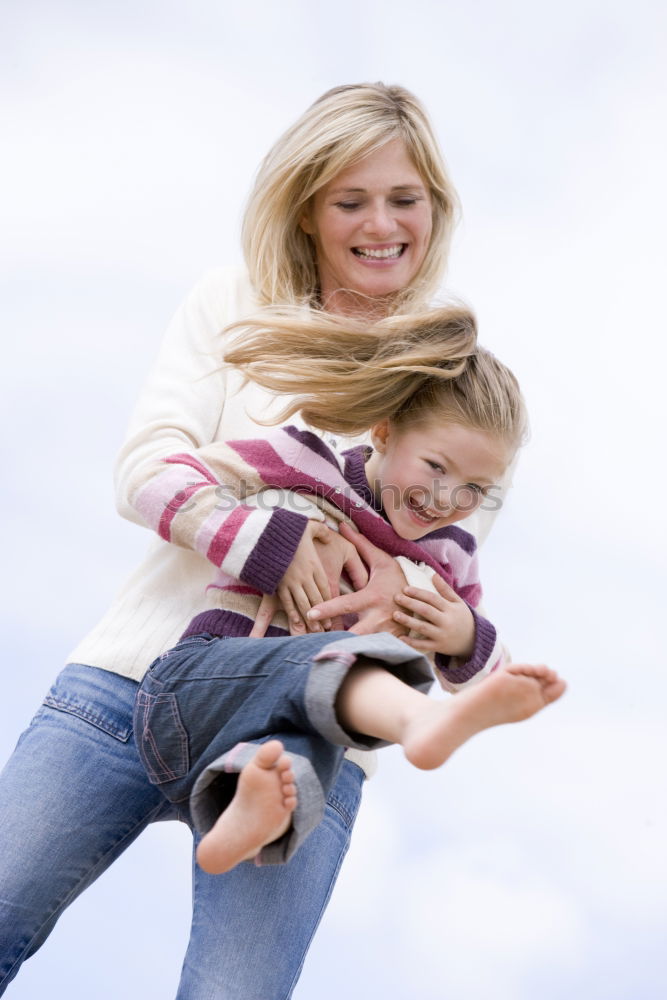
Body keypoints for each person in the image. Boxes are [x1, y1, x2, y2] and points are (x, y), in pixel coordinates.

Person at [0, 83, 492, 999]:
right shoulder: (232, 303)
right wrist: (277, 544)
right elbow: (148, 466)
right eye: (351, 201)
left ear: (437, 206)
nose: (381, 225)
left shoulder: (454, 372)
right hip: (135, 679)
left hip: (307, 731)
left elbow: (451, 555)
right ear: (307, 210)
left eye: (404, 199)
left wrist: (418, 613)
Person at [130, 305, 566, 876]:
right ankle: (416, 721)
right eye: (436, 465)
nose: (447, 499)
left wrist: (462, 637)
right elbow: (155, 483)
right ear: (384, 432)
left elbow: (494, 673)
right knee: (334, 666)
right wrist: (268, 539)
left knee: (303, 751)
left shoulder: (450, 555)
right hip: (196, 687)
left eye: (476, 487)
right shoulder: (304, 464)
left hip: (280, 740)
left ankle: (243, 816)